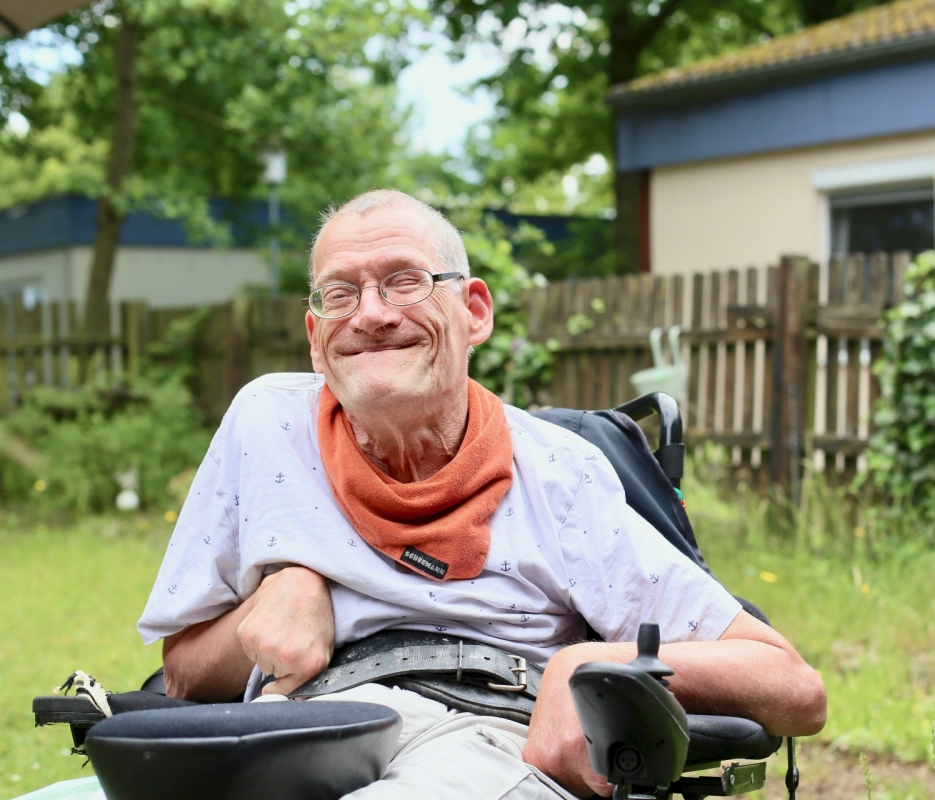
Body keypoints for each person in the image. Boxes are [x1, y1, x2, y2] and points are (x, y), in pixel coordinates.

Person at [137, 189, 826, 800]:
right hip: (289, 735)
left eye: (403, 282)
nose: (371, 314)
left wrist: (590, 661)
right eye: (340, 293)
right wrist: (265, 605)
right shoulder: (265, 426)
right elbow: (185, 677)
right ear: (317, 340)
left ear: (474, 311)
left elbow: (794, 690)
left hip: (480, 740)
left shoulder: (559, 474)